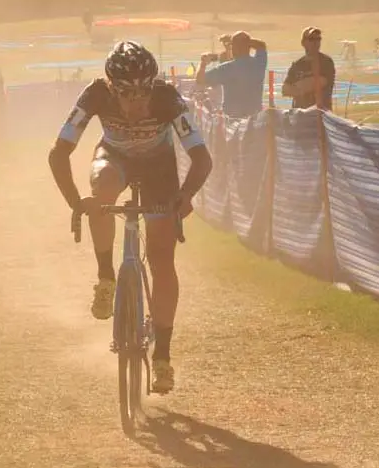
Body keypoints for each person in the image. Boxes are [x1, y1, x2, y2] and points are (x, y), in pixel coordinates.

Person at [47, 41, 214, 394]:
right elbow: (59, 153)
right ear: (111, 88)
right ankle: (106, 277)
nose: (137, 104)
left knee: (161, 259)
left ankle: (163, 358)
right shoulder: (94, 94)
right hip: (113, 159)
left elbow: (202, 159)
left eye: (143, 94)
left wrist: (185, 196)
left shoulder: (168, 99)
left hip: (159, 169)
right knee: (103, 188)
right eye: (127, 96)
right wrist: (77, 202)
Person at [196, 30, 268, 117]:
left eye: (232, 46)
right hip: (255, 118)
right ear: (249, 46)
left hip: (232, 120)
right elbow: (261, 45)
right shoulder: (259, 63)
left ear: (234, 48)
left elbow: (200, 80)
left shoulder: (227, 68)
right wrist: (244, 41)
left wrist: (203, 63)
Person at [281, 27, 336, 110]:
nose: (315, 42)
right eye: (311, 39)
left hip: (321, 114)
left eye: (318, 39)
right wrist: (302, 87)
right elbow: (285, 90)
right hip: (300, 114)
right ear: (303, 43)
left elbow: (318, 82)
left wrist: (296, 88)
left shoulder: (326, 62)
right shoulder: (297, 64)